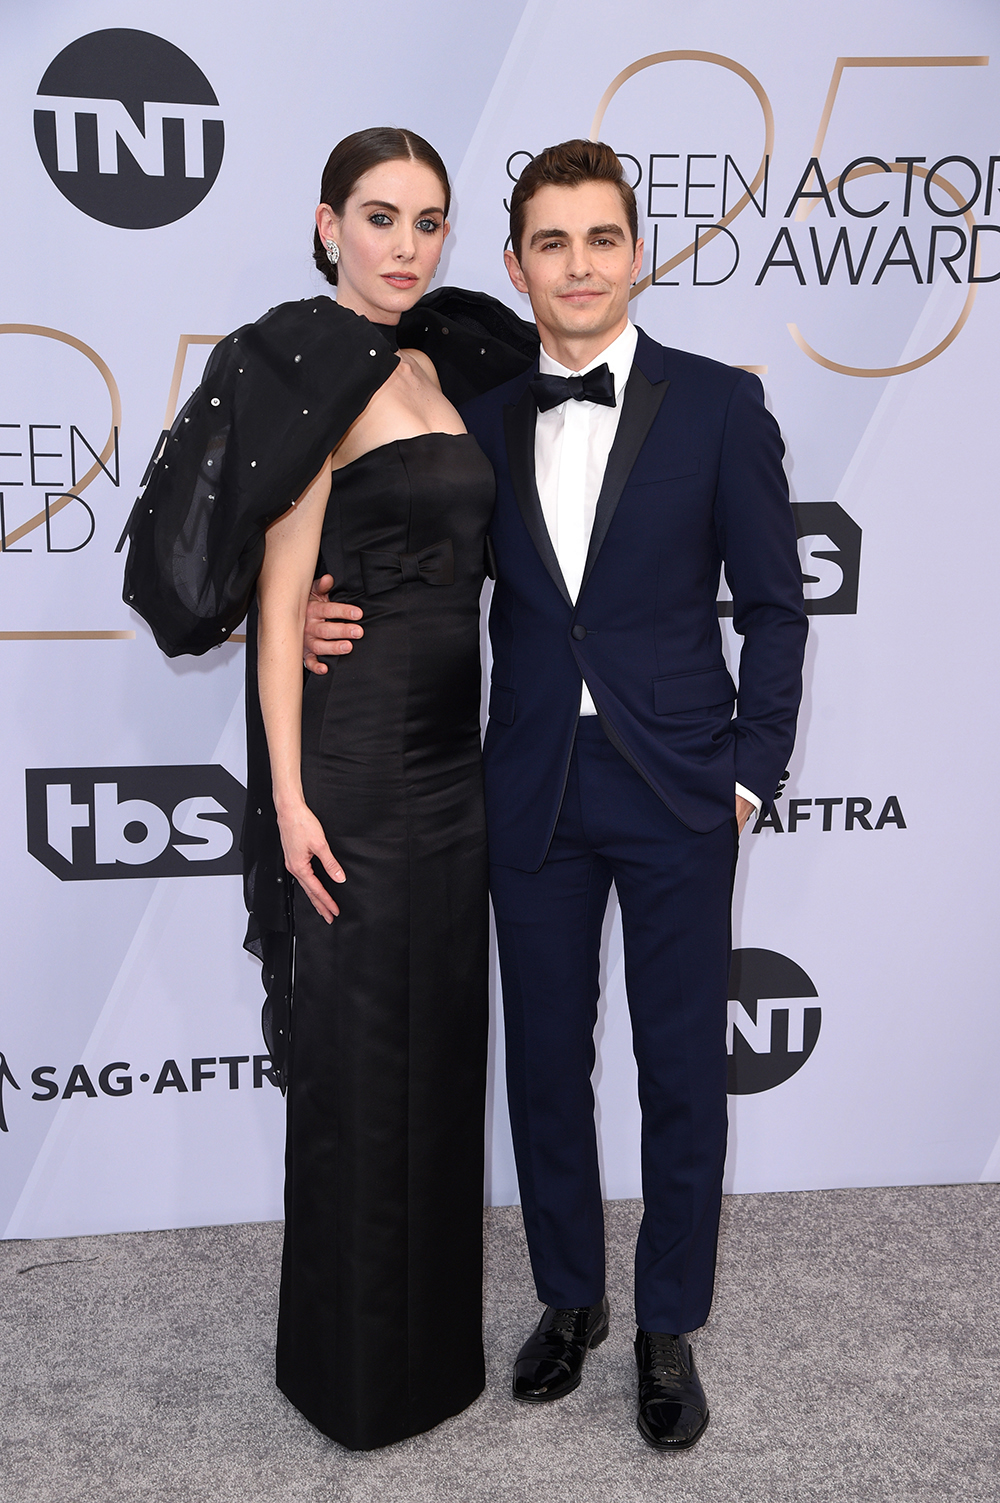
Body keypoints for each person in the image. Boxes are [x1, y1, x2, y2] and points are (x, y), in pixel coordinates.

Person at [305, 139, 807, 1452]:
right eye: (550, 243)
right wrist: (309, 613)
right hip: (526, 788)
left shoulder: (716, 407)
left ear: (633, 253)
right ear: (518, 265)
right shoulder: (478, 427)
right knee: (544, 1067)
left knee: (683, 1069)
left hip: (682, 788)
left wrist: (754, 775)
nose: (577, 266)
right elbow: (406, 570)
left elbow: (775, 604)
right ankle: (572, 1300)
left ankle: (664, 1327)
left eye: (600, 240)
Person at [123, 127, 537, 1452]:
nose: (406, 246)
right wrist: (290, 805)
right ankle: (353, 1382)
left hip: (454, 769)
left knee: (439, 1064)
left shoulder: (446, 355)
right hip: (353, 773)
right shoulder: (311, 363)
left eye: (427, 221)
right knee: (361, 1076)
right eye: (380, 218)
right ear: (326, 224)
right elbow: (282, 590)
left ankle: (436, 1365)